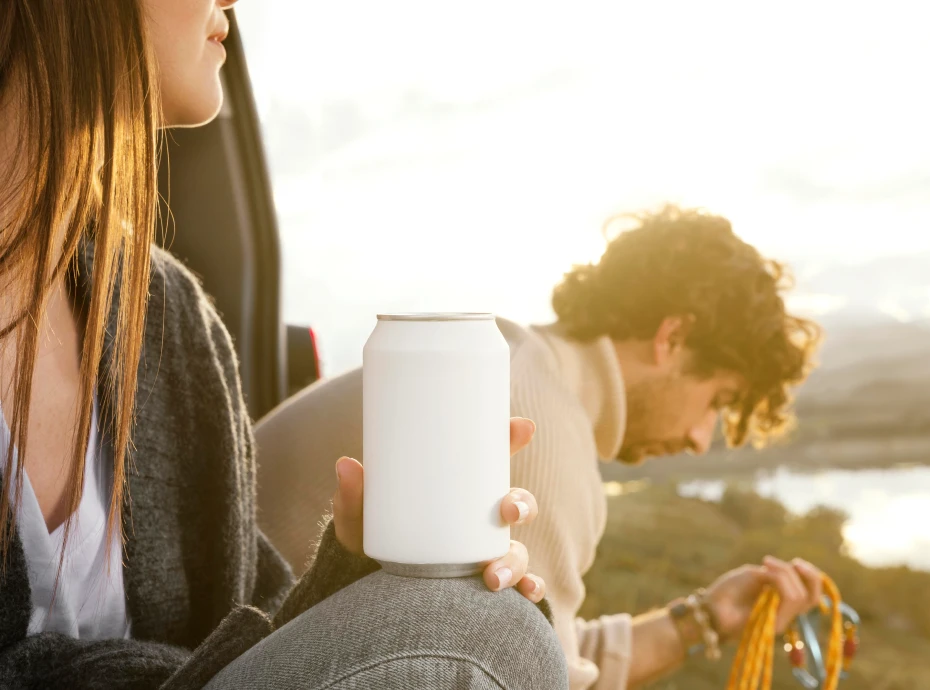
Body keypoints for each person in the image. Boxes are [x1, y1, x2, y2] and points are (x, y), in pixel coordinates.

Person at [0, 2, 568, 689]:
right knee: (487, 637)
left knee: (490, 612)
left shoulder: (168, 316)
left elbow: (239, 652)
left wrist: (357, 574)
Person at [256, 205, 828, 689]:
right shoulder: (540, 417)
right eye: (718, 401)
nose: (702, 441)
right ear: (671, 338)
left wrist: (703, 619)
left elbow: (539, 653)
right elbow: (532, 676)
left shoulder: (520, 364)